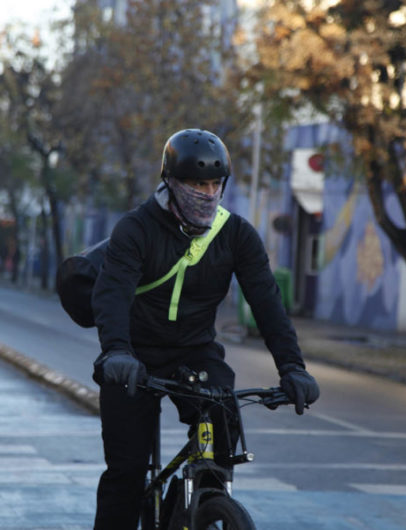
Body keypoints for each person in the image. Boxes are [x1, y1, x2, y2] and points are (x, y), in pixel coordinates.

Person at [91, 128, 320, 529]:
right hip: (131, 356)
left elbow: (267, 303)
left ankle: (206, 505)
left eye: (215, 183)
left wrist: (293, 368)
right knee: (126, 474)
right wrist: (116, 351)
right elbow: (111, 296)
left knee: (218, 445)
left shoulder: (236, 236)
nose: (208, 192)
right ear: (172, 182)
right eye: (197, 183)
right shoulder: (137, 229)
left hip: (195, 353)